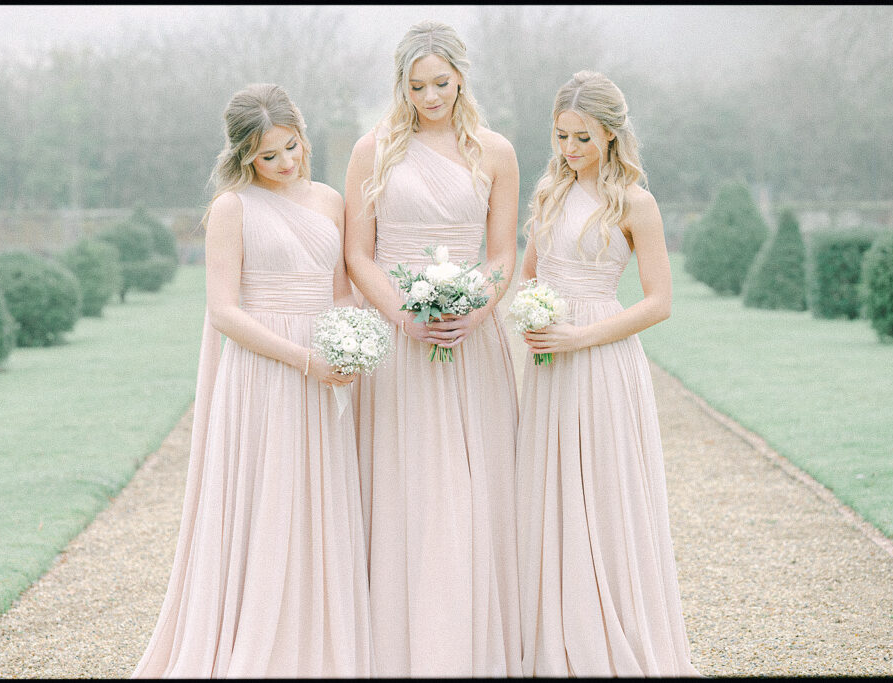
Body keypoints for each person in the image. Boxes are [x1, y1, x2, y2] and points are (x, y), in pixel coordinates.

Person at [131, 83, 372, 678]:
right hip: (265, 372)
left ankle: (316, 638)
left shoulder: (330, 199)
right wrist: (302, 358)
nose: (286, 163)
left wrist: (350, 342)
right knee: (267, 498)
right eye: (270, 156)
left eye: (292, 146)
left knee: (318, 500)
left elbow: (340, 287)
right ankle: (257, 634)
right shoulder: (232, 209)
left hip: (323, 368)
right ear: (244, 158)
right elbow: (224, 311)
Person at [343, 19, 522, 677]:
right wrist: (403, 316)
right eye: (416, 86)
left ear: (460, 78)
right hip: (397, 338)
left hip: (470, 339)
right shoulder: (375, 149)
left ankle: (468, 639)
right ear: (402, 84)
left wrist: (475, 308)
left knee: (469, 487)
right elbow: (357, 254)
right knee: (400, 478)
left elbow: (503, 254)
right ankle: (393, 641)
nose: (429, 97)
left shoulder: (496, 151)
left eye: (440, 83)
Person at [515, 70, 700, 677]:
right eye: (562, 137)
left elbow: (658, 302)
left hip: (600, 357)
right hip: (547, 362)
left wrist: (578, 337)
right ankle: (556, 634)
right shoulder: (549, 190)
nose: (570, 151)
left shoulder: (635, 203)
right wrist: (524, 312)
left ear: (613, 137)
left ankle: (612, 630)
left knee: (603, 489)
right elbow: (529, 274)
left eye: (583, 139)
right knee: (550, 489)